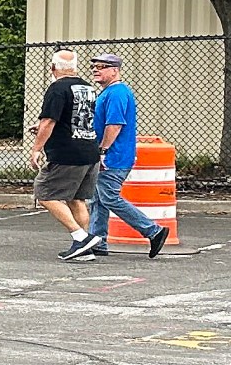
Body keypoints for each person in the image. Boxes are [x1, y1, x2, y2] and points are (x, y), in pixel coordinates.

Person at [67, 52, 166, 261]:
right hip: (112, 155)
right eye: (94, 67)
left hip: (114, 156)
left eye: (102, 67)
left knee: (108, 197)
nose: (96, 70)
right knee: (98, 199)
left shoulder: (117, 93)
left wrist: (102, 150)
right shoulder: (109, 92)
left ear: (115, 70)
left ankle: (153, 230)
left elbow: (115, 124)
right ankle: (98, 241)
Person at [29, 50, 100, 256]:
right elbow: (76, 117)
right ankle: (85, 249)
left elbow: (49, 120)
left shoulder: (57, 88)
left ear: (53, 68)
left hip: (67, 153)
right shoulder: (87, 87)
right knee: (77, 199)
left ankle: (80, 237)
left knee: (43, 192)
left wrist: (36, 149)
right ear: (75, 67)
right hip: (89, 150)